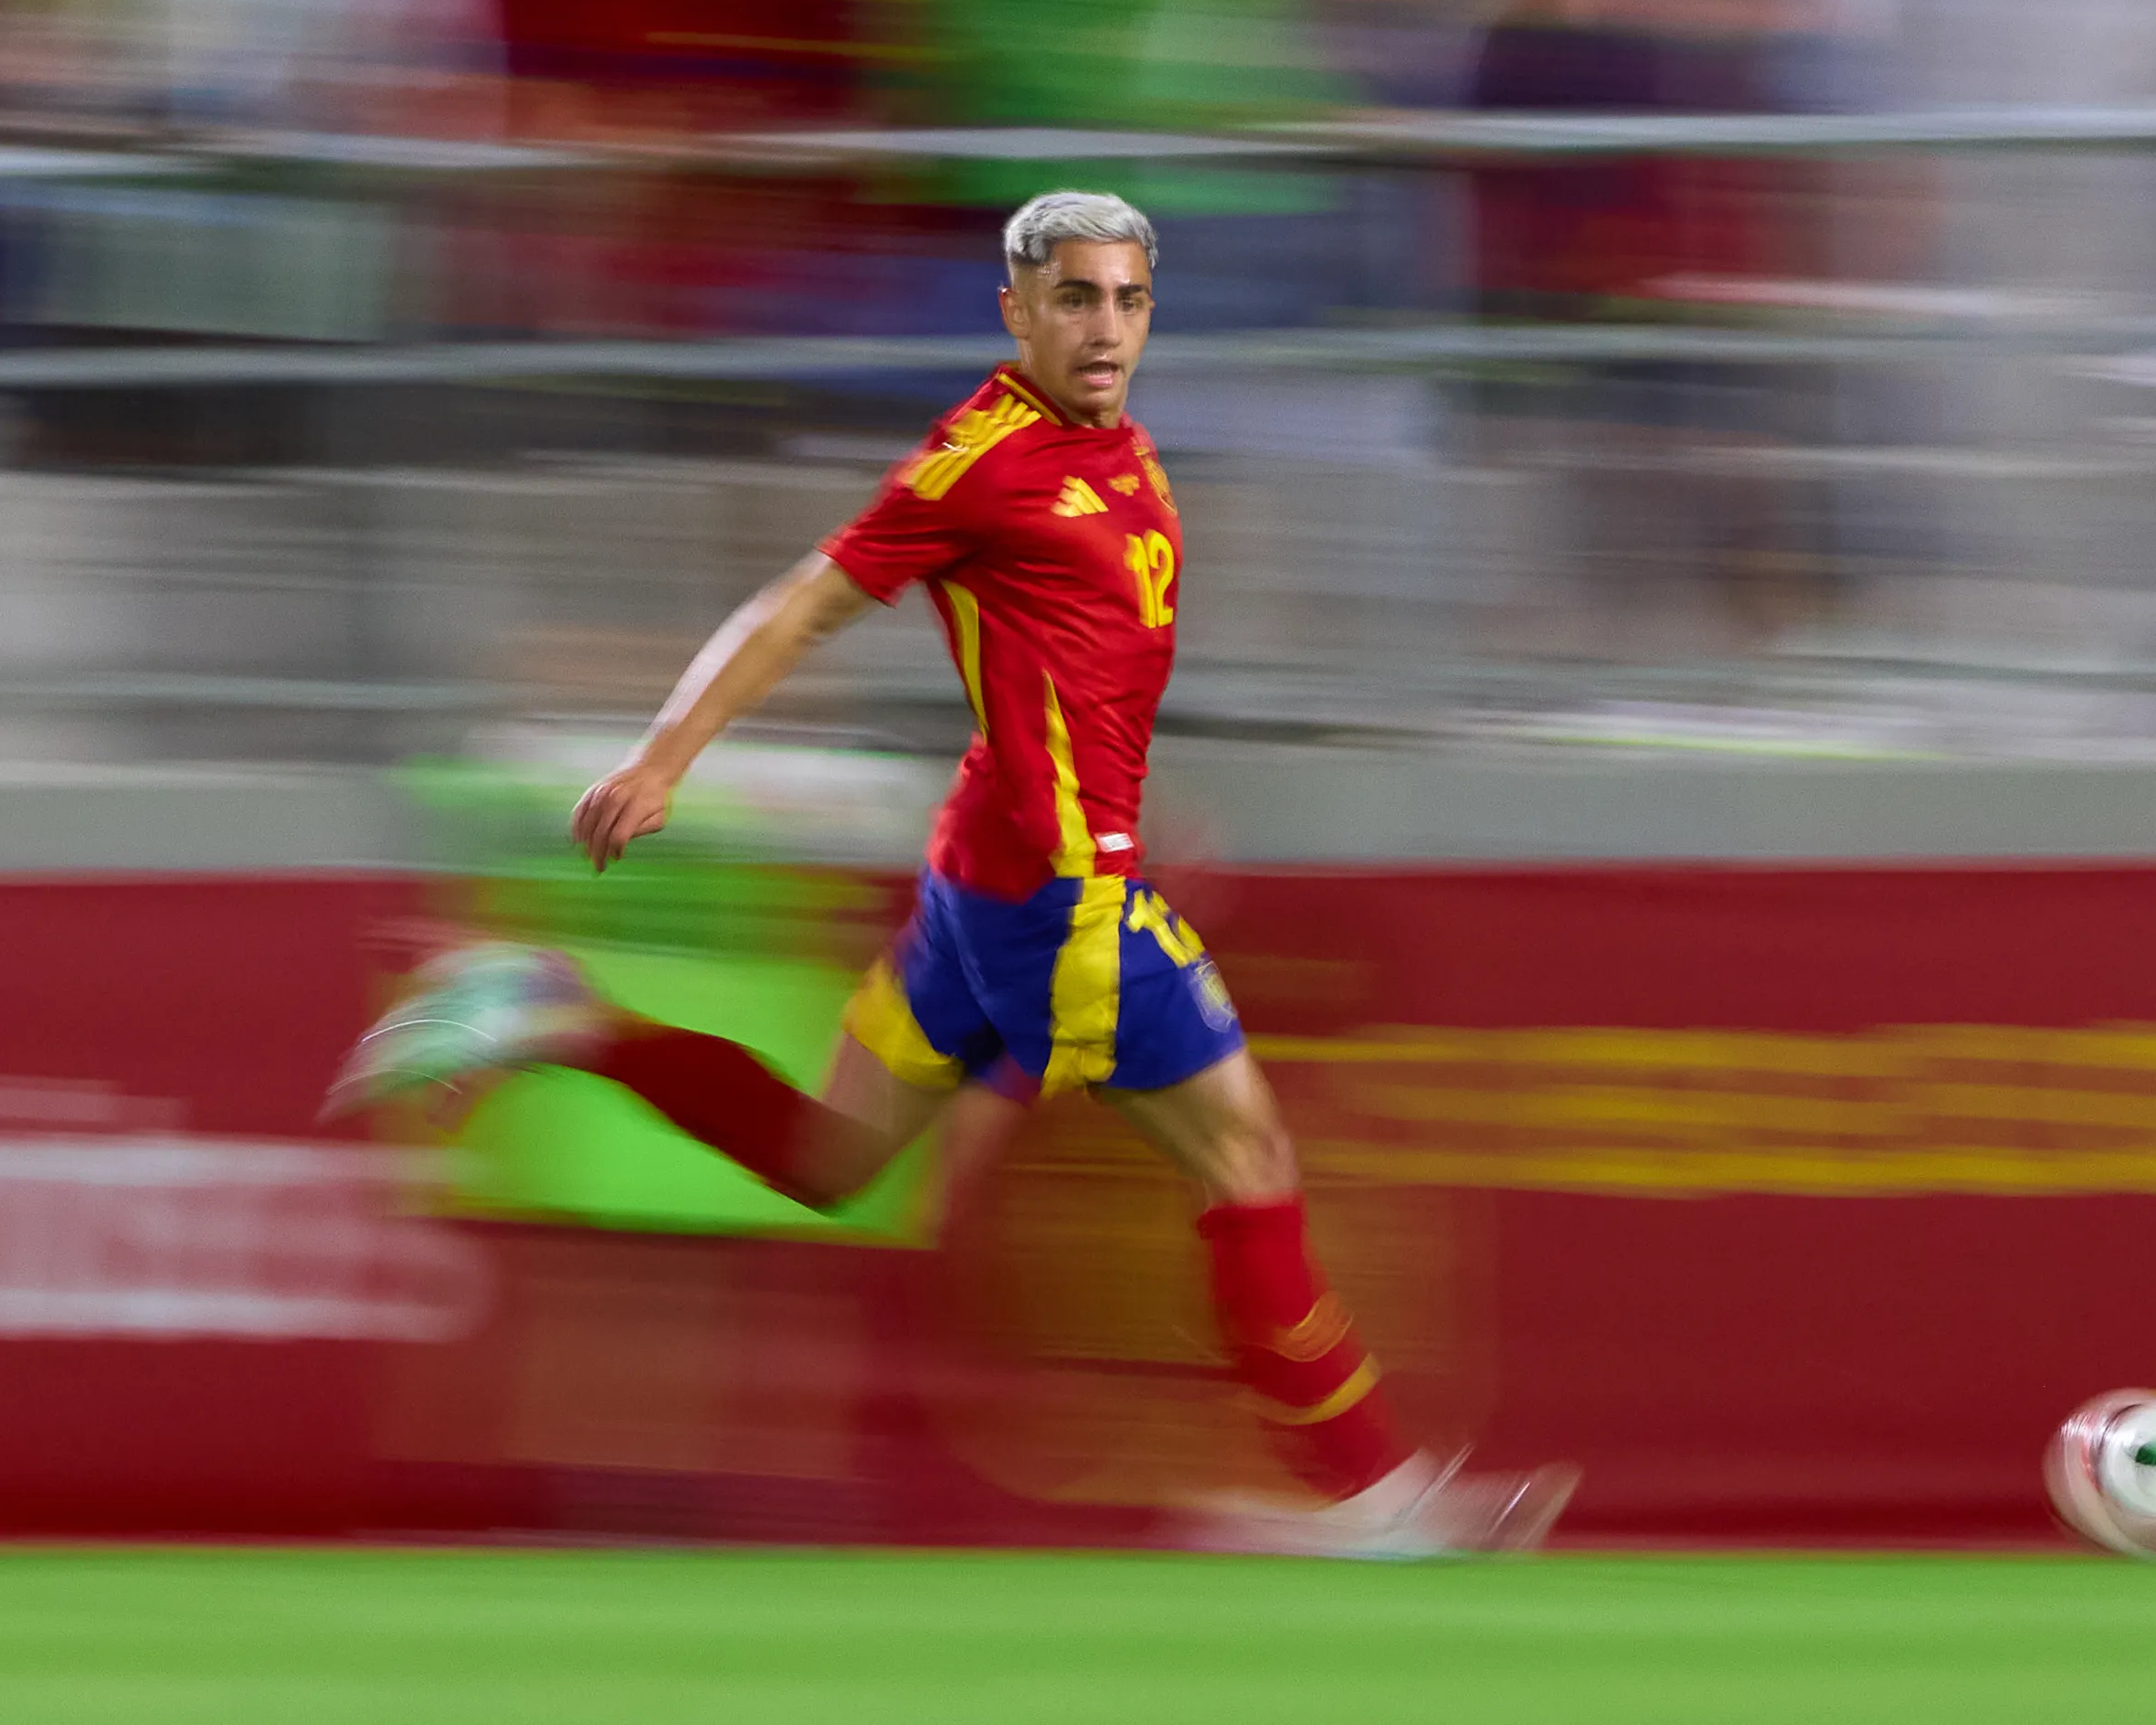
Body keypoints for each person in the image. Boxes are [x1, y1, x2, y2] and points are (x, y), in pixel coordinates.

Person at [327, 189, 1573, 1557]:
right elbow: (801, 602)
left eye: (1128, 299)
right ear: (1017, 310)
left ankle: (560, 1012)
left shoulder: (1121, 451)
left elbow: (1072, 684)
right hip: (1058, 905)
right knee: (1247, 1157)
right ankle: (1370, 1494)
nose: (1104, 327)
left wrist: (1120, 812)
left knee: (823, 1156)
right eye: (1076, 299)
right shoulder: (979, 461)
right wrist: (665, 757)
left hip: (985, 886)